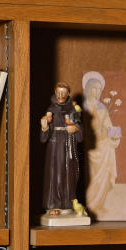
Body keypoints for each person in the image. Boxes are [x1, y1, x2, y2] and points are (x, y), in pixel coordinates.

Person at [40, 81, 83, 214]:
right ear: (55, 93)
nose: (60, 95)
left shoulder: (73, 109)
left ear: (68, 94)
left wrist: (75, 129)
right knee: (55, 175)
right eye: (58, 92)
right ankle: (53, 205)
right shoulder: (51, 110)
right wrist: (45, 126)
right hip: (54, 147)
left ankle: (67, 204)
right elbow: (43, 138)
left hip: (68, 146)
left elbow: (81, 134)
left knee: (68, 175)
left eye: (63, 93)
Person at [82, 71, 121, 215]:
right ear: (88, 88)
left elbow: (110, 126)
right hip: (90, 147)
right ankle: (91, 205)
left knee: (105, 172)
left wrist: (115, 136)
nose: (97, 91)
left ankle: (98, 203)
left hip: (104, 145)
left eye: (99, 89)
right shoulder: (82, 107)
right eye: (94, 88)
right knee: (91, 176)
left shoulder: (102, 107)